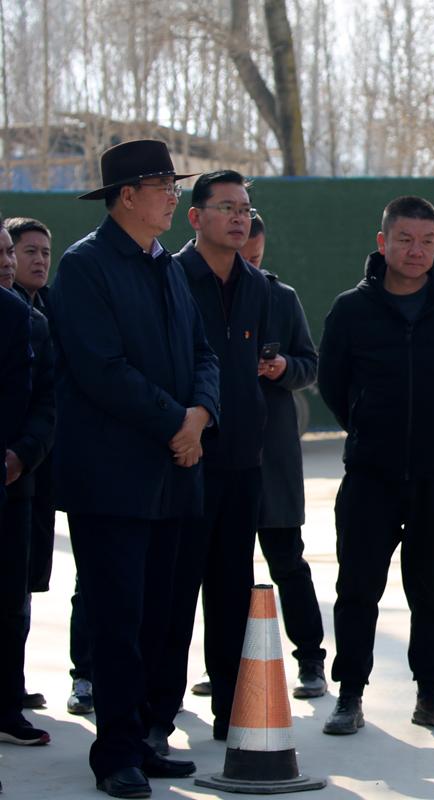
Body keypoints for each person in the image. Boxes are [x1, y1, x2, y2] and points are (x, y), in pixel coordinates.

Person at [52, 139, 217, 797]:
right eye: (163, 186)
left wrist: (200, 415)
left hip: (176, 471)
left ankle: (148, 737)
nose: (174, 197)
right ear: (127, 196)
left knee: (162, 618)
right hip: (113, 478)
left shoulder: (167, 266)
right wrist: (174, 421)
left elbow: (203, 354)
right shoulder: (85, 268)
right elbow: (100, 370)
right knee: (117, 621)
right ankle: (115, 751)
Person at [318, 195, 434, 736]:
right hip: (370, 474)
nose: (416, 252)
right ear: (382, 243)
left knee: (432, 592)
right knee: (358, 588)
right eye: (404, 240)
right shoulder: (351, 309)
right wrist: (370, 425)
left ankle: (431, 693)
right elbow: (333, 384)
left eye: (426, 241)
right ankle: (349, 694)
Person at [144, 170, 271, 753]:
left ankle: (231, 711)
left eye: (245, 208)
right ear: (195, 218)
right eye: (225, 207)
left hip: (242, 465)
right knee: (173, 595)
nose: (239, 218)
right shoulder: (167, 276)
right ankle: (156, 716)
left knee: (231, 594)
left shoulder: (259, 285)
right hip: (185, 461)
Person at [243, 214, 326, 698]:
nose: (248, 266)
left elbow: (309, 365)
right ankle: (225, 665)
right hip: (218, 450)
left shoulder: (282, 297)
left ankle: (311, 661)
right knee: (222, 569)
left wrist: (281, 367)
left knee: (287, 562)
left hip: (273, 452)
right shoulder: (192, 288)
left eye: (255, 258)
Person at [6, 218, 59, 714]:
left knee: (21, 588)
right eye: (27, 252)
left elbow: (51, 398)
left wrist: (25, 453)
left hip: (32, 472)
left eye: (45, 252)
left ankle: (12, 690)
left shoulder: (49, 314)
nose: (38, 260)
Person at [0, 233, 38, 748]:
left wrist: (22, 454)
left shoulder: (30, 323)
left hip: (16, 482)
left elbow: (48, 402)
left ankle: (7, 704)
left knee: (11, 603)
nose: (9, 263)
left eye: (10, 251)